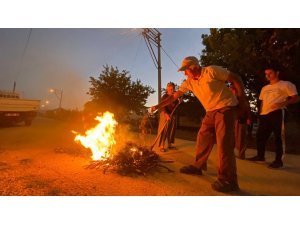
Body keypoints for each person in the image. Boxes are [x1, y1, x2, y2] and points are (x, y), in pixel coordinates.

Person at [149, 56, 249, 193]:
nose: (184, 73)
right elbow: (173, 97)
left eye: (186, 70)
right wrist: (157, 106)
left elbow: (235, 78)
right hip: (210, 111)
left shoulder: (211, 71)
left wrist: (242, 99)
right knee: (203, 137)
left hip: (225, 107)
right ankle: (198, 166)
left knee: (224, 143)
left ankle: (229, 180)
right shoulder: (189, 82)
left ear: (194, 67)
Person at [248, 63, 299, 168]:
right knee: (260, 135)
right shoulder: (264, 88)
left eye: (270, 73)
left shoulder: (286, 84)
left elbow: (296, 98)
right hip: (264, 115)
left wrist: (283, 103)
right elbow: (262, 102)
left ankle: (278, 161)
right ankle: (260, 156)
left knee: (278, 137)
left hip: (278, 112)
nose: (268, 75)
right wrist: (260, 113)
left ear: (277, 73)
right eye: (266, 74)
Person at [228, 82, 252, 159]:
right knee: (232, 136)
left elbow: (247, 108)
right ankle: (230, 152)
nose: (231, 90)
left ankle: (241, 154)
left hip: (241, 119)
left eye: (232, 88)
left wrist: (248, 118)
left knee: (240, 137)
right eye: (230, 88)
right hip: (233, 118)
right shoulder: (230, 97)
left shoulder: (241, 98)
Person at [157, 82, 180, 152]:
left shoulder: (175, 96)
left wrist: (179, 101)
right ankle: (162, 145)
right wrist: (166, 114)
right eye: (170, 89)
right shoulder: (165, 96)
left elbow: (176, 105)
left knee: (172, 129)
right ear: (167, 89)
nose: (172, 90)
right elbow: (162, 106)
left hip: (172, 114)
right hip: (164, 114)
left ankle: (169, 145)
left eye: (173, 89)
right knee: (164, 129)